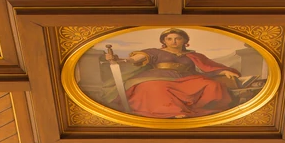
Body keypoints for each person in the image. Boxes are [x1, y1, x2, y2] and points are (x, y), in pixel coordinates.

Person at [100, 29, 243, 119]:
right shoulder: (155, 52)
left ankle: (203, 110)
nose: (173, 41)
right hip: (158, 76)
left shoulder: (193, 55)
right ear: (164, 41)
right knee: (156, 87)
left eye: (177, 38)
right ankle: (171, 112)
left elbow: (208, 66)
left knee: (212, 85)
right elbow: (134, 59)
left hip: (187, 78)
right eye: (169, 39)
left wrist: (224, 71)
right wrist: (119, 59)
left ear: (185, 41)